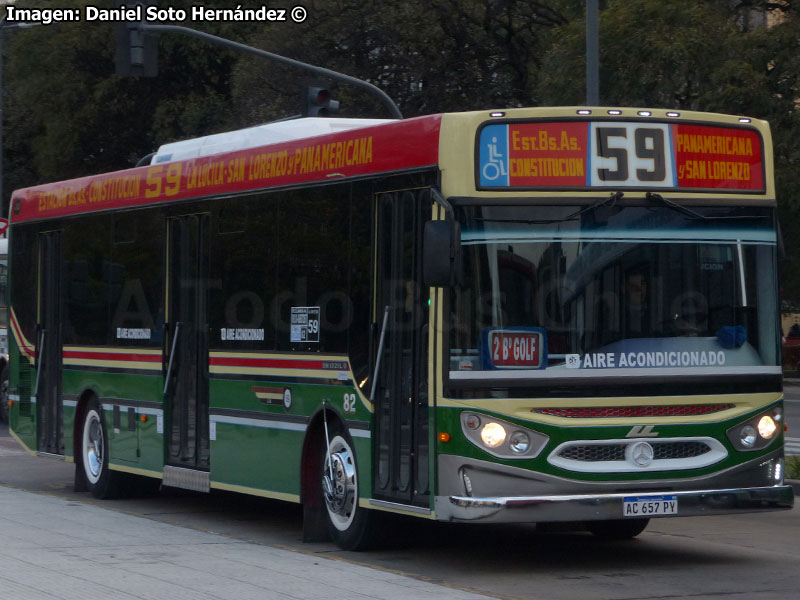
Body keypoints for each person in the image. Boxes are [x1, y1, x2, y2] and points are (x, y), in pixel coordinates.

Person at [624, 271, 649, 336]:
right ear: (626, 288)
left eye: (642, 284)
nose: (640, 290)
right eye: (634, 287)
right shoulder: (621, 316)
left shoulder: (654, 312)